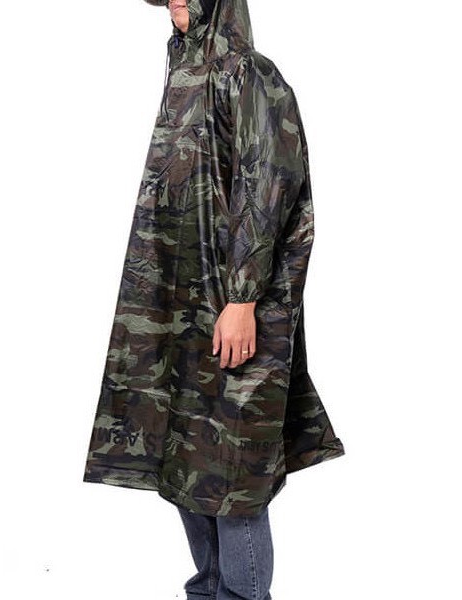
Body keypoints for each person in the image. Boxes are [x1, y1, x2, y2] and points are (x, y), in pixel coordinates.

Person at [83, 1, 345, 597]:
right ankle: (207, 590)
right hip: (175, 308)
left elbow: (267, 188)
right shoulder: (184, 72)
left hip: (233, 308)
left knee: (233, 473)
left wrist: (243, 300)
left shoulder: (249, 73)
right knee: (186, 458)